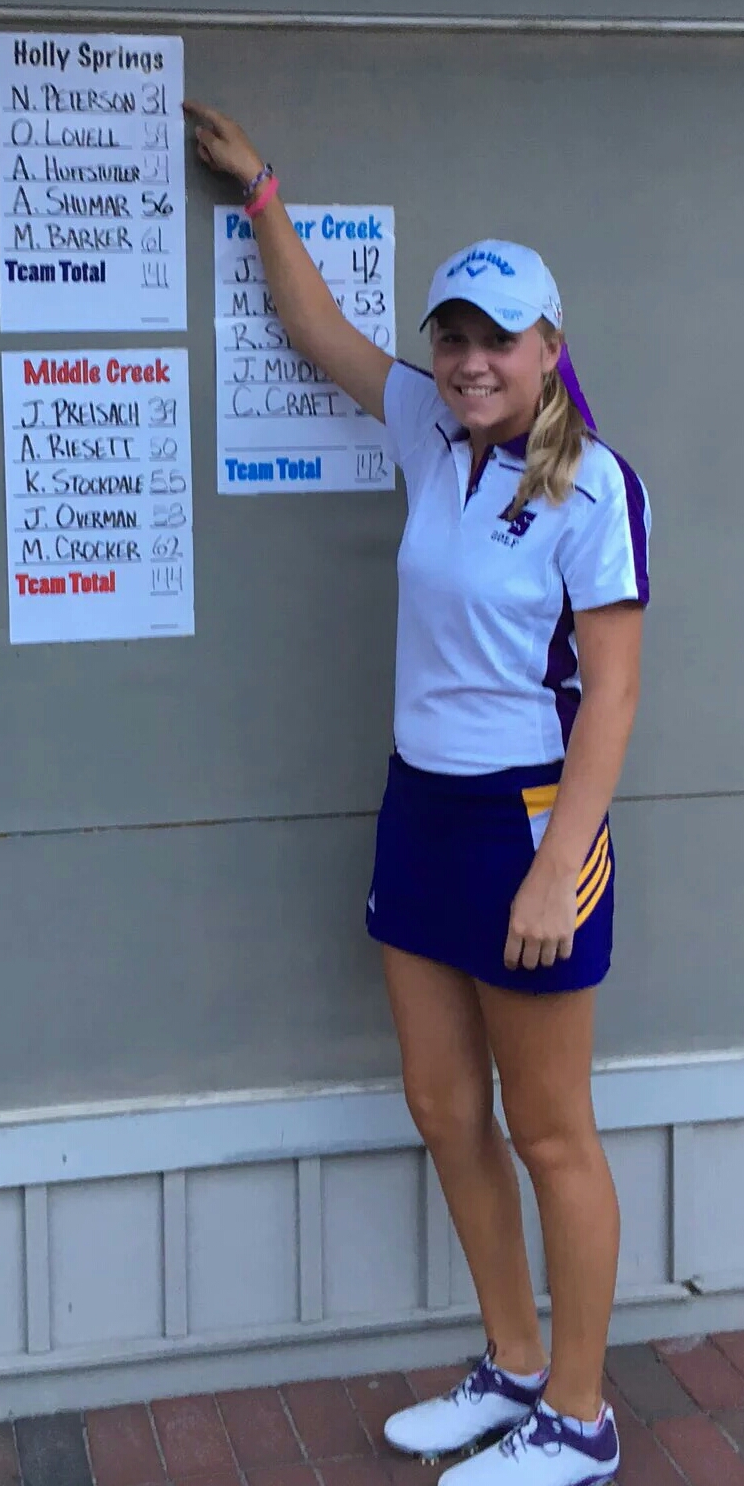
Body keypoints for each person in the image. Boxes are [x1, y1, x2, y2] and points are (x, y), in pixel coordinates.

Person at [184, 100, 650, 1486]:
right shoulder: (424, 428)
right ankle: (512, 1366)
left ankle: (582, 1418)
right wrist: (263, 196)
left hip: (530, 826)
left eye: (496, 338)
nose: (469, 360)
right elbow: (321, 330)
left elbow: (614, 698)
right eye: (452, 336)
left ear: (548, 347)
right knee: (445, 1110)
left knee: (548, 1130)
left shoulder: (593, 490)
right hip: (420, 809)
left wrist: (554, 867)